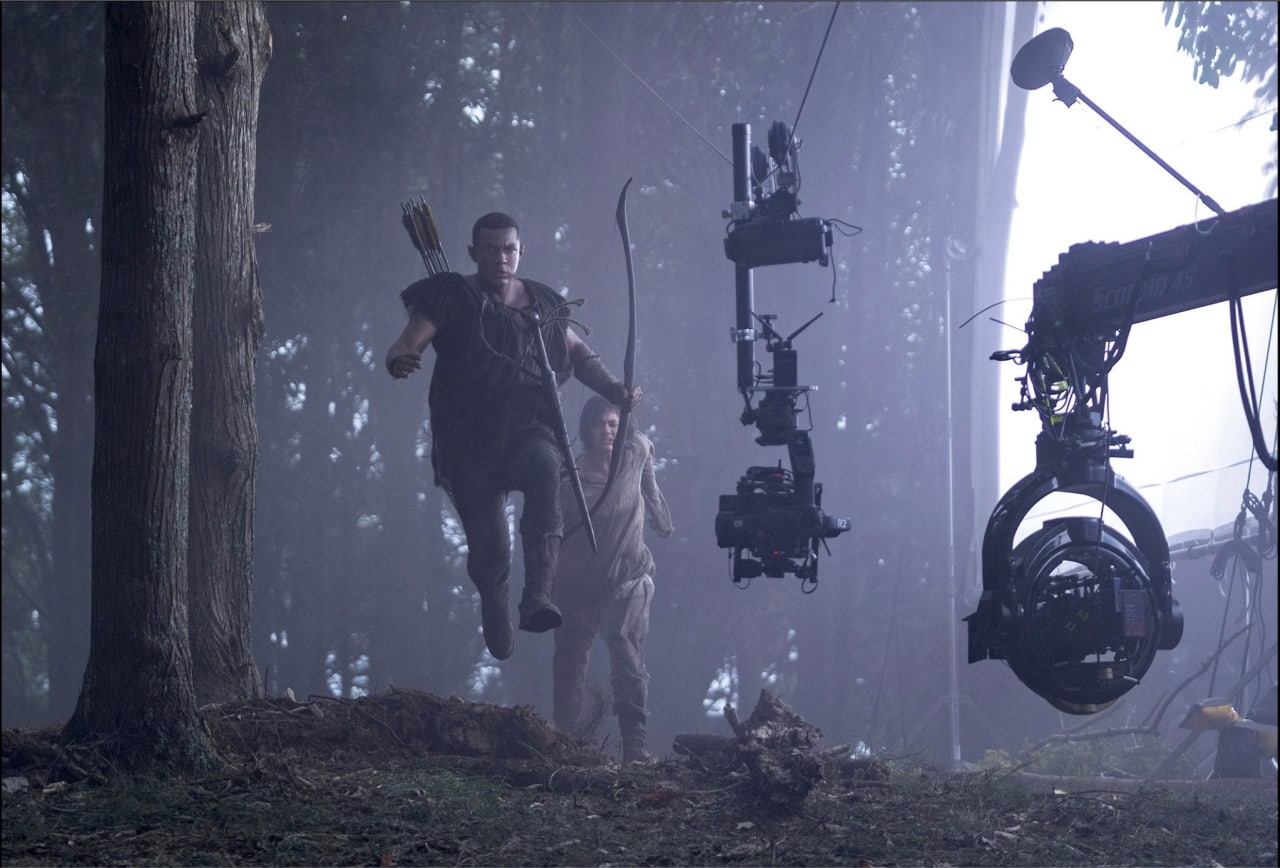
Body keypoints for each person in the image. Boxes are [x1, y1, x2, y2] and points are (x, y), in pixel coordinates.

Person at [385, 212, 639, 661]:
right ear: (474, 253)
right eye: (490, 249)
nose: (500, 258)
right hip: (468, 440)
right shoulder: (452, 296)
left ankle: (539, 594)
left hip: (528, 428)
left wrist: (614, 389)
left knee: (545, 468)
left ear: (520, 251)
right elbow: (408, 343)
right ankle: (495, 598)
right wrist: (400, 358)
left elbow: (579, 355)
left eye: (508, 249)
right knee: (491, 547)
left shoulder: (542, 303)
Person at [553, 395, 673, 762]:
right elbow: (550, 531)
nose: (607, 431)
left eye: (613, 424)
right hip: (578, 584)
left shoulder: (634, 453)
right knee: (570, 664)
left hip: (629, 574)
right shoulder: (568, 480)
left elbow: (648, 478)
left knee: (625, 647)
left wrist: (660, 517)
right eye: (600, 424)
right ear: (586, 430)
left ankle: (634, 745)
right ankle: (565, 745)